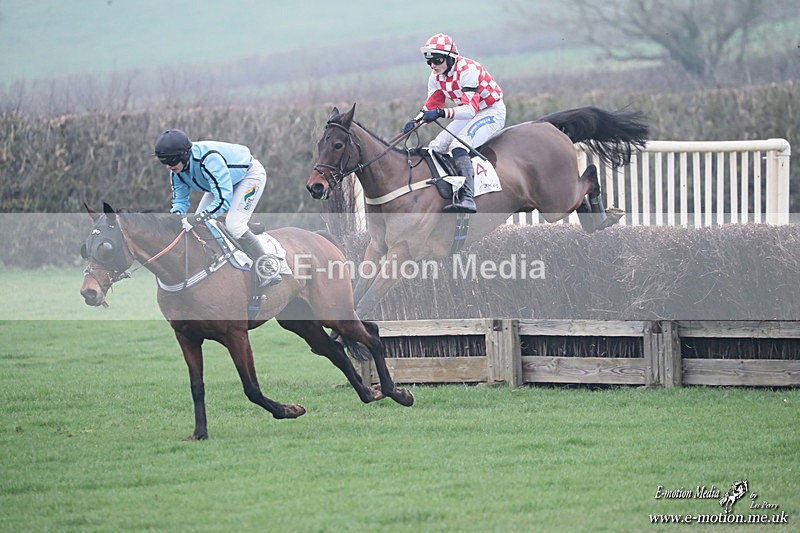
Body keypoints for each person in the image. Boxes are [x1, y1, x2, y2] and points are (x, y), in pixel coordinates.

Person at [153, 129, 281, 286]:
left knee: (235, 225)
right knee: (199, 226)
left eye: (171, 161)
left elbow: (223, 199)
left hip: (249, 176)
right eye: (163, 162)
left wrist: (196, 218)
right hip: (221, 185)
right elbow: (180, 200)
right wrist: (177, 217)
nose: (167, 166)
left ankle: (267, 267)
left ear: (184, 155)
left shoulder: (209, 160)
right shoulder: (176, 170)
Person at [403, 33, 506, 213]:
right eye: (429, 61)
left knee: (458, 145)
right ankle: (444, 192)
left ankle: (468, 198)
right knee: (436, 147)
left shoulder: (468, 70)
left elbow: (470, 110)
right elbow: (431, 107)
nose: (433, 65)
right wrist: (415, 122)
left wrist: (440, 113)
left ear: (451, 58)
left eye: (437, 60)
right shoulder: (435, 77)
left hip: (490, 111)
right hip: (469, 113)